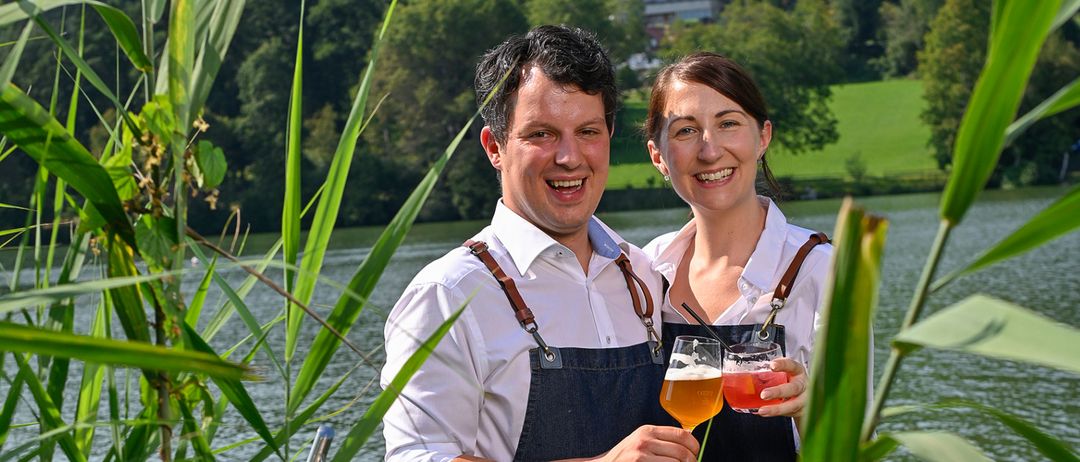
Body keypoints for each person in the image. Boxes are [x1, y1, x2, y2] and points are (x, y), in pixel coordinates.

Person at [381, 26, 698, 462]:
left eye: (587, 131)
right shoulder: (448, 295)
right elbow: (415, 459)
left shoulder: (641, 274)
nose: (569, 157)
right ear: (495, 147)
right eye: (541, 134)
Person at [642, 52, 867, 461]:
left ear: (763, 137)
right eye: (686, 131)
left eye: (728, 123)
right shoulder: (643, 273)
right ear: (658, 156)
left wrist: (806, 410)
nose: (710, 151)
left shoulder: (823, 271)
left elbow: (853, 449)